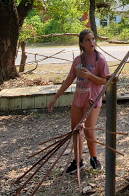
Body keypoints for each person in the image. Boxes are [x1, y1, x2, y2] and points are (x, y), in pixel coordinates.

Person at [47, 29, 113, 174]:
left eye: (93, 39)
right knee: (76, 130)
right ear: (82, 43)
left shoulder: (99, 59)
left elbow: (105, 81)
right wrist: (55, 97)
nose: (92, 43)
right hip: (78, 99)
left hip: (93, 99)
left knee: (89, 130)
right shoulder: (78, 60)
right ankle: (78, 161)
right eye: (88, 40)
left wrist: (89, 75)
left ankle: (94, 158)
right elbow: (69, 79)